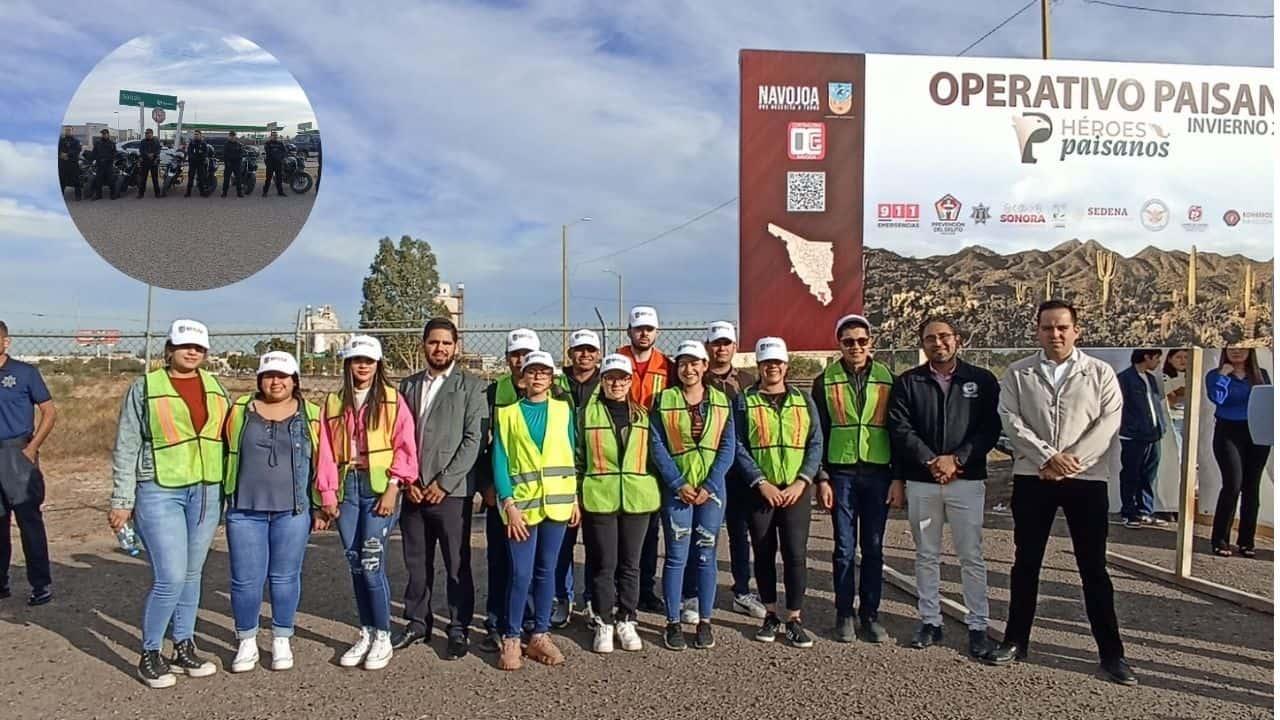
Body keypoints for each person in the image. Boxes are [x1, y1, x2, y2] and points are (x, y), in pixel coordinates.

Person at [985, 300, 1135, 686]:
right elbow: (1011, 420)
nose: (1056, 334)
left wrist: (1073, 461)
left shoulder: (1100, 373)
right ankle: (1016, 639)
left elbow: (1108, 422)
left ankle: (1111, 653)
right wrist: (1049, 457)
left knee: (1093, 567)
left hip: (1087, 480)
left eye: (1063, 327)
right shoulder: (1019, 373)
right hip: (1034, 477)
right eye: (1048, 328)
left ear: (1076, 330)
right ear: (1037, 330)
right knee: (1026, 562)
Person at [108, 319, 228, 689]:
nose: (192, 352)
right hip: (160, 488)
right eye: (184, 346)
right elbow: (127, 444)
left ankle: (184, 645)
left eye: (199, 347)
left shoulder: (216, 387)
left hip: (206, 489)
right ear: (169, 349)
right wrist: (122, 500)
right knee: (170, 576)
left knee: (192, 574)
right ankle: (149, 652)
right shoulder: (145, 388)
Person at [886, 318, 1001, 659]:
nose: (938, 343)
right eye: (930, 338)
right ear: (922, 344)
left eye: (944, 337)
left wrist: (958, 459)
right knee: (926, 554)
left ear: (958, 340)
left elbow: (989, 427)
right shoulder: (909, 382)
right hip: (923, 481)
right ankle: (930, 620)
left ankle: (978, 625)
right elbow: (900, 427)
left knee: (971, 555)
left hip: (966, 480)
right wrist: (931, 461)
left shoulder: (981, 380)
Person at [223, 352, 336, 673]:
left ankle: (281, 637)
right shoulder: (239, 411)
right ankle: (246, 640)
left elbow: (323, 462)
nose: (276, 381)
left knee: (285, 577)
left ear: (295, 380)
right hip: (245, 509)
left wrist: (322, 503)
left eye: (283, 376)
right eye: (269, 375)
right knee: (246, 580)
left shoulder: (311, 415)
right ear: (259, 379)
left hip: (292, 510)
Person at [321, 335, 418, 671]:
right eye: (356, 360)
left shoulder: (393, 401)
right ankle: (366, 630)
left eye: (369, 360)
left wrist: (394, 486)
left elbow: (406, 447)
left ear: (378, 365)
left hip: (379, 489)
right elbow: (325, 453)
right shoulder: (333, 403)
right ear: (347, 364)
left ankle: (383, 634)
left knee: (372, 562)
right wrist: (328, 494)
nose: (362, 366)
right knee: (355, 564)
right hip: (348, 487)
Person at [393, 318, 486, 659]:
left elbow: (474, 438)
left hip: (451, 492)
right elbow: (398, 437)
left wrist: (444, 482)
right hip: (414, 490)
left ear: (456, 347)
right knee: (417, 562)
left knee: (456, 562)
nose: (440, 348)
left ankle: (458, 627)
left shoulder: (472, 387)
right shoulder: (408, 386)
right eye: (434, 342)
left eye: (447, 343)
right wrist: (409, 481)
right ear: (424, 345)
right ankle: (418, 623)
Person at [491, 350, 580, 671]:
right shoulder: (508, 414)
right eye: (533, 371)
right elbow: (499, 461)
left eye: (544, 371)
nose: (538, 376)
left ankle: (540, 634)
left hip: (557, 504)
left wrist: (574, 499)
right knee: (521, 573)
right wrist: (508, 504)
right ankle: (512, 637)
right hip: (522, 508)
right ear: (523, 377)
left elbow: (570, 455)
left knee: (547, 572)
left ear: (552, 377)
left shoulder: (562, 411)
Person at [811, 313, 895, 644]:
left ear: (871, 342)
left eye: (862, 341)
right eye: (849, 342)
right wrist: (822, 478)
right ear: (839, 345)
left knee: (873, 547)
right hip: (841, 474)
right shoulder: (825, 381)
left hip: (878, 473)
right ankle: (844, 613)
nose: (856, 347)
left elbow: (896, 430)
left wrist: (897, 478)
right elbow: (818, 433)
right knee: (844, 548)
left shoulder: (888, 379)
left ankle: (870, 615)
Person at [733, 337, 822, 648]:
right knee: (764, 552)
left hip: (796, 491)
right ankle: (770, 613)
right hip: (761, 492)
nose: (773, 367)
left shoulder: (804, 400)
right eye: (767, 362)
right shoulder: (744, 401)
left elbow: (815, 443)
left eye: (778, 362)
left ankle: (794, 618)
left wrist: (803, 481)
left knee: (795, 554)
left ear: (786, 365)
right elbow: (738, 445)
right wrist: (760, 481)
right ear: (759, 366)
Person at [650, 340, 735, 651]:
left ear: (704, 366)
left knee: (705, 554)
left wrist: (710, 485)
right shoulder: (664, 400)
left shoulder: (722, 401)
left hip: (711, 492)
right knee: (676, 556)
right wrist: (678, 483)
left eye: (695, 363)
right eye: (683, 363)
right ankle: (672, 622)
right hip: (678, 490)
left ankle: (705, 621)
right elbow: (656, 444)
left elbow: (728, 447)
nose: (689, 369)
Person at [577, 353, 660, 653]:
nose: (617, 383)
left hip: (637, 498)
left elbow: (654, 456)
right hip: (600, 496)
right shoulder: (586, 414)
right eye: (611, 377)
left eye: (622, 378)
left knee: (630, 564)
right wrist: (577, 494)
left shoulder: (643, 415)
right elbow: (578, 456)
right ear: (603, 380)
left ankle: (627, 618)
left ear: (630, 381)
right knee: (604, 563)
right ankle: (603, 621)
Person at [477, 327, 540, 653]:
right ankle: (495, 623)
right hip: (500, 496)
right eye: (516, 355)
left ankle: (529, 623)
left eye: (527, 355)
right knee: (500, 560)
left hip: (535, 498)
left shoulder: (549, 396)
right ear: (507, 359)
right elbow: (482, 446)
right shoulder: (492, 394)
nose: (521, 361)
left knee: (529, 565)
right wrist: (487, 485)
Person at [703, 320, 766, 621]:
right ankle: (698, 592)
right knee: (705, 533)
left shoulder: (748, 380)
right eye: (716, 343)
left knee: (741, 533)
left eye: (726, 343)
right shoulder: (696, 378)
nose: (722, 348)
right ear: (708, 347)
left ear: (735, 346)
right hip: (706, 467)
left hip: (740, 470)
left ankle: (742, 590)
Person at [616, 305, 670, 612]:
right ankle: (615, 588)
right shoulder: (616, 360)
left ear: (657, 332)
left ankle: (645, 589)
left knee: (650, 528)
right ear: (629, 332)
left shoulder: (668, 365)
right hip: (620, 450)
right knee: (618, 525)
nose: (644, 333)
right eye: (639, 328)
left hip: (652, 454)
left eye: (649, 328)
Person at [0, 321, 56, 606]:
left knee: (29, 521)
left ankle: (40, 584)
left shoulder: (24, 373)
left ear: (6, 342)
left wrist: (32, 447)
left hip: (17, 453)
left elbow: (49, 412)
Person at [551, 328, 601, 627]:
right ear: (570, 354)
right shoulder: (557, 385)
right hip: (561, 473)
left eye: (591, 350)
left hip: (596, 474)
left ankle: (594, 599)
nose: (585, 354)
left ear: (599, 354)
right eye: (579, 349)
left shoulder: (606, 383)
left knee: (596, 543)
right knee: (562, 543)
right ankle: (562, 597)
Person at [1206, 345, 1272, 558]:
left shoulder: (1260, 375)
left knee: (1251, 488)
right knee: (1232, 485)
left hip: (1256, 431)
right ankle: (1220, 540)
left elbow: (1268, 402)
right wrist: (1223, 376)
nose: (1237, 352)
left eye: (1242, 348)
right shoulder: (1215, 375)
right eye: (1232, 348)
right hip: (1228, 432)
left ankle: (1246, 541)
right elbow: (1217, 398)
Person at [1117, 349, 1167, 529]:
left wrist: (1161, 425)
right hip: (1133, 435)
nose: (1158, 363)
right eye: (1157, 358)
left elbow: (1155, 403)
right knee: (1131, 473)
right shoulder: (1124, 378)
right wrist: (1129, 426)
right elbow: (1118, 406)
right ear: (1147, 356)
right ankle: (1128, 512)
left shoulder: (1151, 378)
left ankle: (1145, 510)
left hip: (1154, 434)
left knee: (1149, 473)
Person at [1162, 349, 1190, 453]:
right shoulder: (1165, 377)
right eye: (1178, 357)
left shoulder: (1193, 376)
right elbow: (1171, 398)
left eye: (1186, 357)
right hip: (1174, 418)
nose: (1183, 360)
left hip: (1190, 418)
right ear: (1169, 359)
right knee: (1177, 448)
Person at [89, 129, 117, 201]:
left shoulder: (112, 143)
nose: (104, 135)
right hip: (100, 164)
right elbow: (94, 153)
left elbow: (114, 154)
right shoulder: (97, 143)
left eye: (105, 134)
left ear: (108, 134)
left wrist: (108, 159)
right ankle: (98, 195)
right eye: (102, 134)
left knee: (111, 180)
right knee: (99, 181)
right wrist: (95, 159)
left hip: (108, 165)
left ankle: (113, 194)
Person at [57, 126, 82, 201]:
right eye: (66, 130)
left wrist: (67, 154)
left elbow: (77, 150)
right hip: (63, 164)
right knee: (61, 181)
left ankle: (78, 196)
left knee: (76, 181)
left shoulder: (76, 141)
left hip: (73, 163)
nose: (68, 131)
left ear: (72, 131)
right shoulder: (61, 141)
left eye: (69, 130)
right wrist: (60, 154)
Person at [136, 129, 162, 199]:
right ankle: (141, 194)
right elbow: (141, 150)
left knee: (155, 179)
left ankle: (157, 193)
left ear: (152, 134)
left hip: (154, 162)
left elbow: (158, 150)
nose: (147, 134)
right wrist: (147, 154)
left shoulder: (156, 141)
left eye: (148, 133)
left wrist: (153, 154)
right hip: (145, 162)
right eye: (146, 133)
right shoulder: (143, 141)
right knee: (143, 179)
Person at [184, 131, 210, 198]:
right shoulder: (191, 143)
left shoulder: (203, 143)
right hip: (192, 163)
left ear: (200, 135)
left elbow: (206, 153)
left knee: (201, 178)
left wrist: (201, 157)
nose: (195, 135)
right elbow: (189, 152)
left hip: (200, 163)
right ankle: (188, 192)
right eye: (195, 134)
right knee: (190, 178)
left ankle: (202, 192)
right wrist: (193, 157)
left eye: (197, 134)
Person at [262, 131, 287, 197]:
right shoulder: (267, 143)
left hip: (278, 163)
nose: (275, 136)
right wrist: (278, 155)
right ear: (271, 136)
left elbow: (284, 152)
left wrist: (281, 157)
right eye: (273, 135)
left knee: (279, 178)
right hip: (270, 163)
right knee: (268, 178)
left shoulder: (280, 143)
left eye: (276, 135)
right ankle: (265, 192)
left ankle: (280, 192)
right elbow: (268, 152)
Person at [220, 131, 244, 198]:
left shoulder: (239, 145)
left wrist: (238, 161)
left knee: (239, 179)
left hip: (237, 164)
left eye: (233, 136)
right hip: (229, 164)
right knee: (226, 179)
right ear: (229, 137)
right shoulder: (226, 144)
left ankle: (239, 193)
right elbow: (224, 155)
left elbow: (241, 155)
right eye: (231, 136)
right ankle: (224, 192)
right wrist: (227, 162)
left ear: (235, 136)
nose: (232, 137)